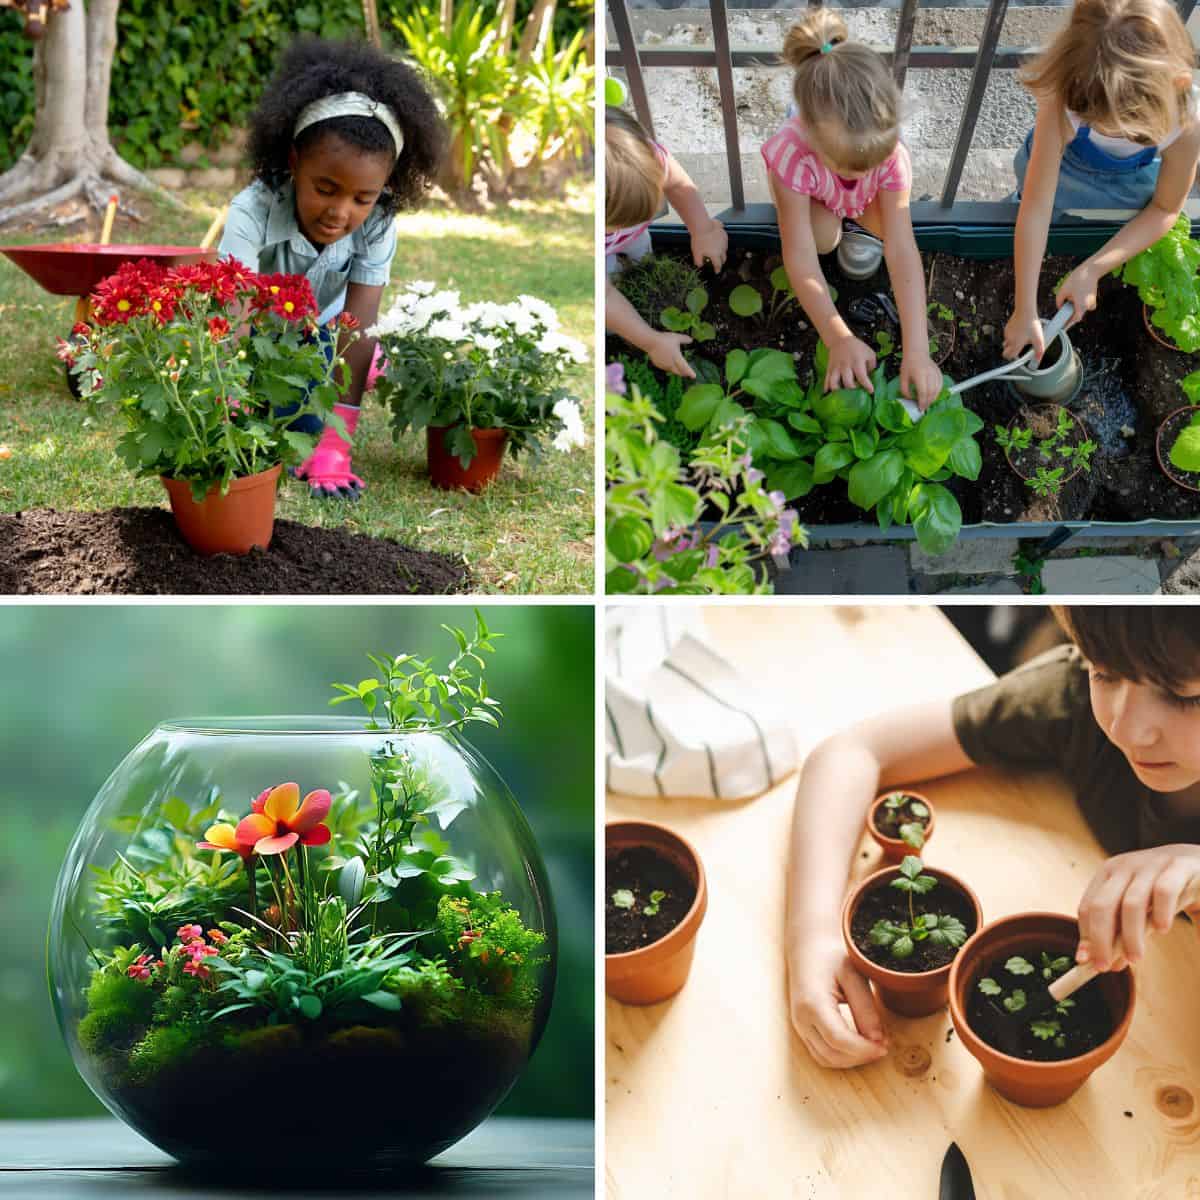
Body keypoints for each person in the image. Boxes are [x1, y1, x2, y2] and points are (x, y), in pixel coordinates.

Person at [786, 606, 1200, 1069]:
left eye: (1185, 697)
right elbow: (850, 753)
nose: (1127, 728)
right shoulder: (1074, 701)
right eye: (1105, 673)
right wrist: (813, 937)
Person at [219, 37, 443, 498]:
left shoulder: (379, 222)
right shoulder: (251, 210)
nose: (340, 212)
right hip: (258, 338)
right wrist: (231, 409)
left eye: (363, 197)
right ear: (294, 161)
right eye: (325, 188)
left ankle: (362, 371)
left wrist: (335, 444)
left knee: (304, 426)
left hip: (324, 334)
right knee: (270, 427)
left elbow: (358, 326)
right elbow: (233, 317)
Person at [763, 9, 942, 410]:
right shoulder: (793, 155)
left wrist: (917, 350)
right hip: (816, 198)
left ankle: (858, 229)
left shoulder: (889, 156)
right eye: (850, 167)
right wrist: (838, 337)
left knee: (887, 224)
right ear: (809, 133)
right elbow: (800, 258)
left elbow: (902, 249)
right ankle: (843, 228)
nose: (867, 171)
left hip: (855, 199)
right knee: (823, 239)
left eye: (874, 164)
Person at [1004, 0, 1200, 363]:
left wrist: (1093, 268)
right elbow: (1035, 206)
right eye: (1098, 124)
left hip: (1129, 185)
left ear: (1177, 84)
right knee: (1026, 209)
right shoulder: (1067, 96)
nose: (1116, 134)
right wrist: (1024, 308)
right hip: (1060, 177)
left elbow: (1164, 207)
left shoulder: (1188, 123)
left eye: (1138, 135)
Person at [605, 107, 729, 380]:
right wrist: (651, 341)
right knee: (608, 294)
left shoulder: (647, 156)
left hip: (633, 236)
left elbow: (678, 184)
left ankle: (641, 266)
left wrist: (703, 230)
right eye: (620, 220)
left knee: (642, 252)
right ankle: (621, 324)